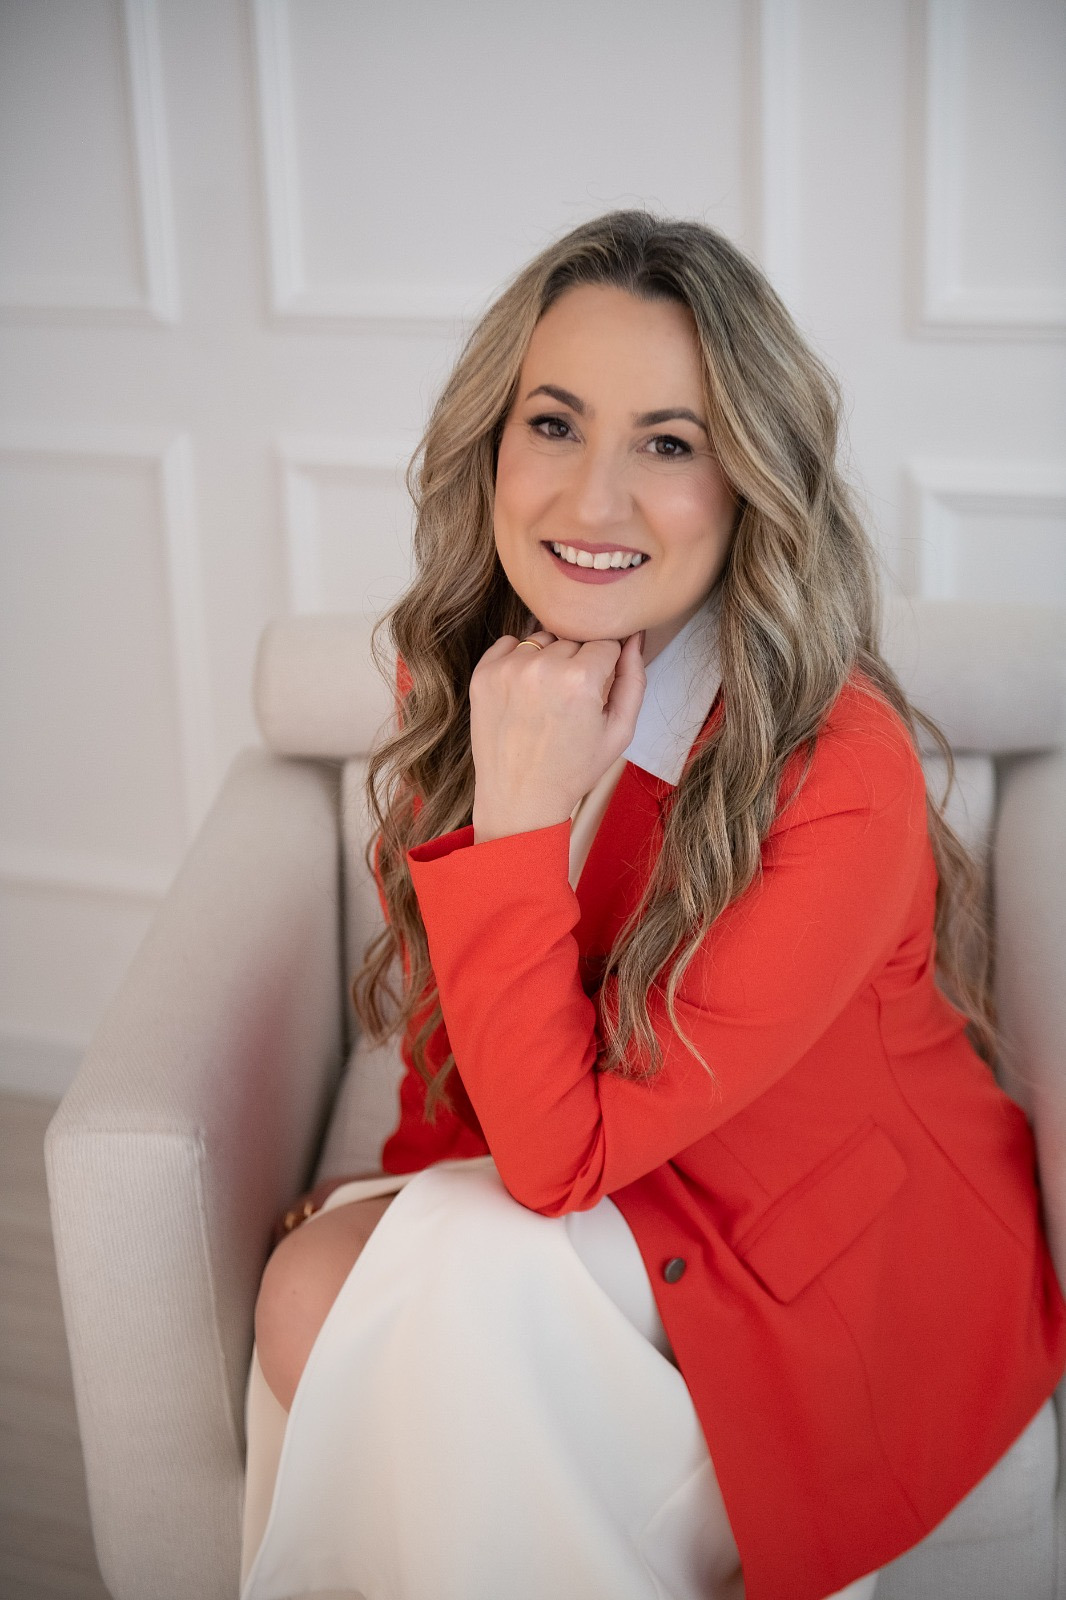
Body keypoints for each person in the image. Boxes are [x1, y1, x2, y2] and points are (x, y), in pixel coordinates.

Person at [241, 211, 1066, 1600]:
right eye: (554, 425)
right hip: (607, 1172)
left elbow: (553, 1165)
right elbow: (463, 1028)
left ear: (751, 485)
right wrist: (410, 1175)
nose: (593, 498)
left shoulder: (836, 769)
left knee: (412, 1299)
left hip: (823, 1254)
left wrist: (518, 817)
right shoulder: (480, 677)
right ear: (490, 447)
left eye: (669, 444)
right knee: (321, 1288)